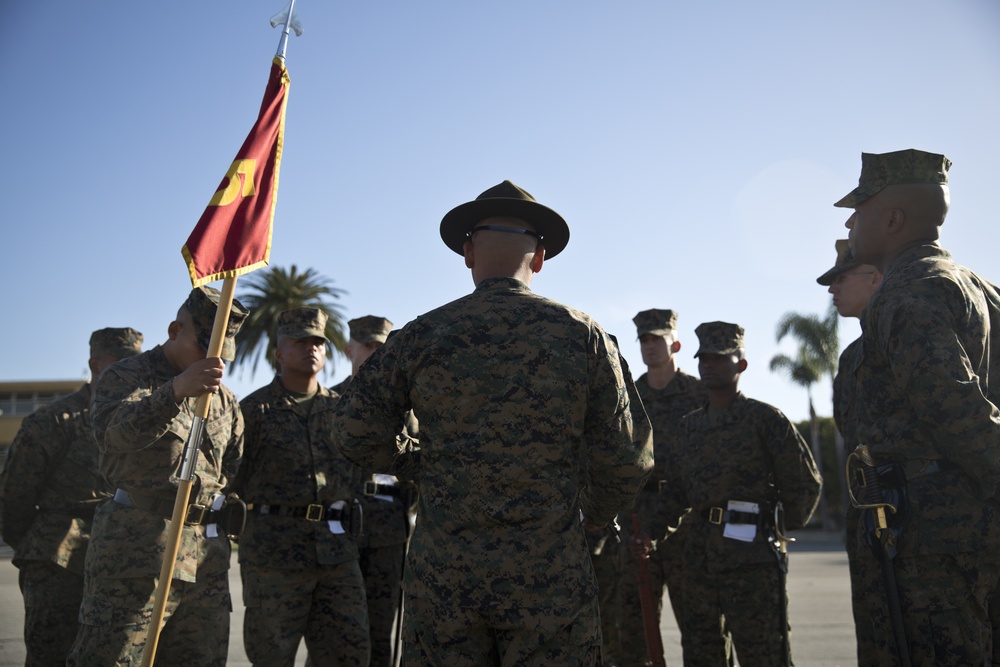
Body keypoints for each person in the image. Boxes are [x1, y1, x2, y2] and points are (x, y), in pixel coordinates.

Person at [332, 179, 653, 666]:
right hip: (551, 576)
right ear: (540, 257)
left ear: (467, 251)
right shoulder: (583, 336)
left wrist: (425, 464)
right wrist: (586, 516)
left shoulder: (422, 335)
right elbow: (628, 458)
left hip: (444, 580)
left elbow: (353, 431)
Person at [839, 148, 1000, 665]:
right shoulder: (980, 289)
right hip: (963, 532)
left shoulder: (906, 294)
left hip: (926, 544)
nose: (850, 220)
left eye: (859, 209)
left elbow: (958, 413)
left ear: (892, 219)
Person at [67, 286, 248, 667]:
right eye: (205, 347)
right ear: (173, 330)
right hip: (135, 558)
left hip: (204, 563)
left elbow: (228, 469)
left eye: (223, 353)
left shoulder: (227, 401)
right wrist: (176, 392)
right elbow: (112, 436)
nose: (214, 360)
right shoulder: (127, 376)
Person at [674, 321, 822, 667]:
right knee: (702, 654)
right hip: (698, 558)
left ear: (740, 364)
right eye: (703, 359)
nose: (708, 365)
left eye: (718, 358)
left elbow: (804, 482)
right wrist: (650, 532)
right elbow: (678, 491)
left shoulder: (764, 419)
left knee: (764, 654)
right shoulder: (690, 426)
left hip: (751, 560)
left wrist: (772, 526)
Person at [236, 306, 370, 666]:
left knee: (349, 654)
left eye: (318, 342)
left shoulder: (342, 411)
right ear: (279, 353)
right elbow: (233, 480)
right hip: (274, 559)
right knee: (271, 657)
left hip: (336, 556)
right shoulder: (253, 411)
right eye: (300, 342)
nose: (311, 348)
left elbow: (358, 477)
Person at [0, 327, 142, 666]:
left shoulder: (141, 420)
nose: (128, 371)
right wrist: (42, 542)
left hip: (122, 562)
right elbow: (13, 499)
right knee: (52, 655)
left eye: (134, 363)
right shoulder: (53, 420)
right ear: (95, 364)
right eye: (119, 363)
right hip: (59, 563)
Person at [617, 308, 712, 667]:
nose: (649, 346)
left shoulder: (700, 393)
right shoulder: (628, 396)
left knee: (702, 627)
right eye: (643, 339)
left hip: (689, 521)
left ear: (676, 343)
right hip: (636, 519)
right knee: (635, 626)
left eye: (656, 338)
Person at [332, 315, 417, 667]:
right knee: (336, 632)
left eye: (380, 348)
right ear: (350, 349)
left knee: (381, 632)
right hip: (339, 530)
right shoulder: (330, 401)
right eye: (366, 347)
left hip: (387, 533)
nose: (372, 354)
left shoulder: (406, 409)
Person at [816, 237, 883, 667]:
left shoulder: (915, 330)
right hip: (872, 530)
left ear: (875, 276)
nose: (831, 289)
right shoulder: (852, 356)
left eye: (841, 277)